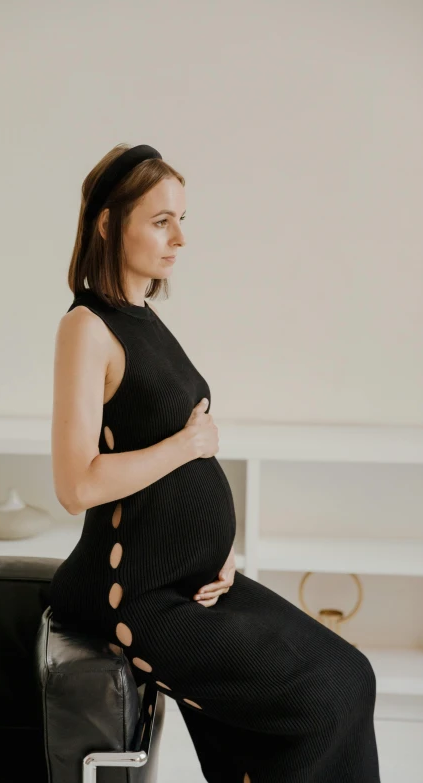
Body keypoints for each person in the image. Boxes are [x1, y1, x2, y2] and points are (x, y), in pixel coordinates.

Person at [49, 143, 381, 782]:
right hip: (137, 599)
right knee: (322, 697)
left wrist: (212, 548)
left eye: (182, 219)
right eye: (160, 220)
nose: (179, 239)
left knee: (349, 676)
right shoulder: (87, 327)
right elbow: (75, 483)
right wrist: (188, 446)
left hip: (196, 583)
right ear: (107, 222)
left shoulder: (144, 317)